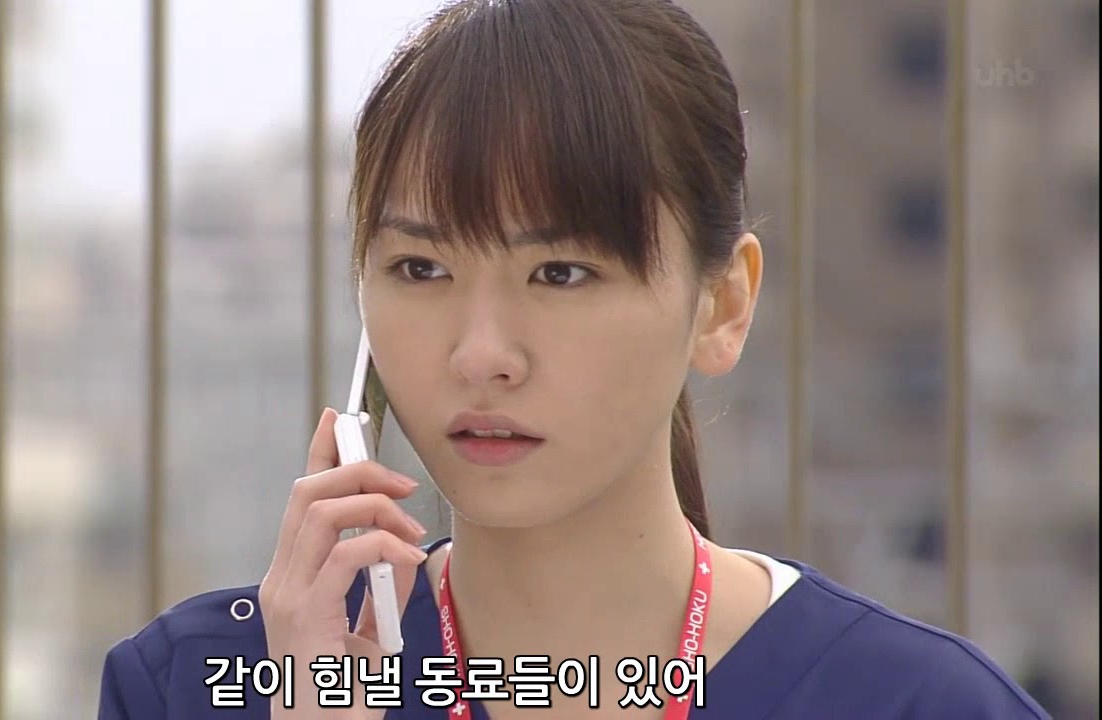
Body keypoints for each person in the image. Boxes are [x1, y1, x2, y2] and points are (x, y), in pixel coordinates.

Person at [98, 1, 1050, 717]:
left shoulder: (915, 703)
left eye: (560, 272)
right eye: (421, 267)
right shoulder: (199, 684)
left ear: (722, 304)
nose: (482, 355)